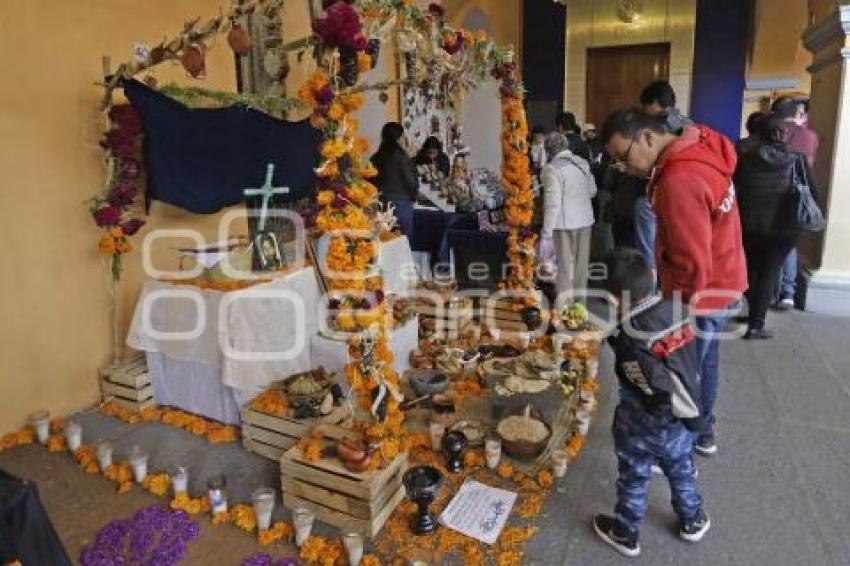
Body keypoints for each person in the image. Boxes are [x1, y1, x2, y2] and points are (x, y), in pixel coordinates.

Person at [601, 108, 748, 457]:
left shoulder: (679, 179)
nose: (624, 167)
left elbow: (690, 260)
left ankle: (679, 439)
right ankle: (701, 430)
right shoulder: (701, 144)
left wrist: (669, 315)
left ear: (648, 137)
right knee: (706, 360)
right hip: (725, 275)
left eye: (624, 156)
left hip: (704, 290)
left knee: (685, 367)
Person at [593, 248, 709, 558]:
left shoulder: (630, 338)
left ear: (614, 299)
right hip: (684, 416)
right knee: (681, 467)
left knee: (634, 474)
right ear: (654, 278)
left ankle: (625, 532)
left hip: (645, 421)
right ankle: (693, 519)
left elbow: (650, 387)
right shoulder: (679, 307)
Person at [734, 113, 817, 339]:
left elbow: (734, 188)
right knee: (768, 273)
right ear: (783, 133)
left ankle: (753, 314)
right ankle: (755, 325)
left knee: (752, 271)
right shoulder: (797, 159)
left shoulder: (746, 157)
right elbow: (813, 191)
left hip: (750, 224)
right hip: (784, 228)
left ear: (760, 133)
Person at [629, 80, 693, 273]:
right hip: (687, 192)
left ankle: (650, 284)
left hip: (661, 191)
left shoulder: (657, 126)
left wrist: (633, 169)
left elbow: (654, 162)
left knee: (648, 240)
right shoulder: (689, 123)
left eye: (646, 105)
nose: (644, 110)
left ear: (655, 102)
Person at [772, 97, 819, 310]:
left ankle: (771, 291)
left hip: (772, 194)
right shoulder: (810, 137)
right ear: (797, 114)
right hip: (798, 197)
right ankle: (788, 293)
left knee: (770, 244)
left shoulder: (775, 131)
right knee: (790, 244)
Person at [540, 132, 597, 297]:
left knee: (564, 271)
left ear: (548, 150)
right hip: (585, 221)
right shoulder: (582, 163)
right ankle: (580, 311)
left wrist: (546, 233)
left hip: (563, 224)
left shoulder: (551, 169)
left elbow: (553, 204)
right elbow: (592, 191)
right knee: (581, 267)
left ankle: (564, 314)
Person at [371, 122, 418, 238]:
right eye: (403, 137)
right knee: (404, 242)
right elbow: (410, 181)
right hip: (401, 203)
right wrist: (415, 194)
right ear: (398, 138)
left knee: (385, 240)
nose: (404, 140)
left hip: (380, 203)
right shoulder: (401, 156)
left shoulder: (375, 157)